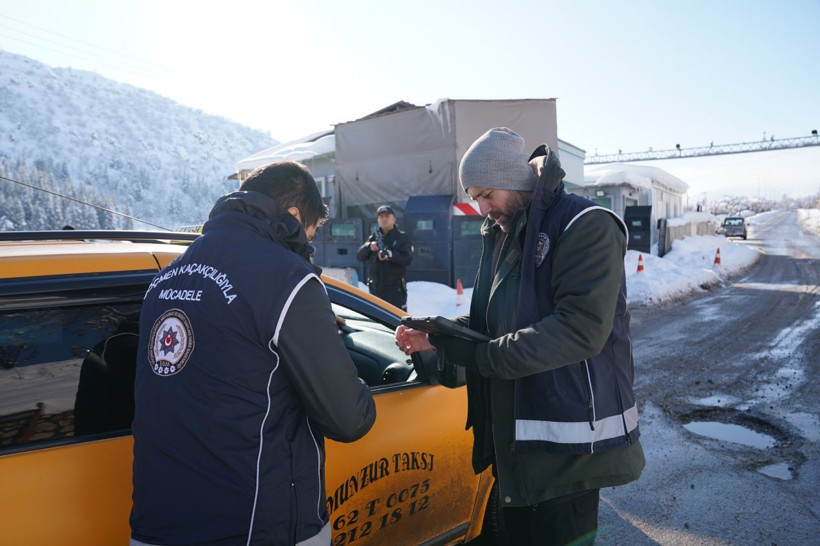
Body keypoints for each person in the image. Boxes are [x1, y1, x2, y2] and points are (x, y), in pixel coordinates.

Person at [396, 128, 644, 545]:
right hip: (515, 449)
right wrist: (439, 341)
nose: (482, 207)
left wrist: (480, 356)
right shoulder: (505, 233)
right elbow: (493, 327)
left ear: (515, 179)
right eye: (475, 197)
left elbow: (580, 330)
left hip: (569, 457)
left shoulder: (585, 225)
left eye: (487, 194)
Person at [131, 161, 376, 546]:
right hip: (253, 523)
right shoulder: (287, 277)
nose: (306, 247)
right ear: (294, 216)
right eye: (308, 236)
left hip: (156, 520)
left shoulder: (167, 276)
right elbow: (349, 419)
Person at [356, 204, 414, 310]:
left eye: (387, 216)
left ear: (394, 219)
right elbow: (360, 256)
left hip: (394, 290)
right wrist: (369, 247)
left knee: (396, 319)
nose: (384, 219)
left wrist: (390, 255)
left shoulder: (402, 238)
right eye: (381, 217)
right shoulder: (374, 237)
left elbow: (408, 258)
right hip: (375, 289)